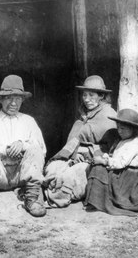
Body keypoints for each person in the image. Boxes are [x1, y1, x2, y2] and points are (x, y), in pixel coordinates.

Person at [0, 74, 47, 222]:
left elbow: (42, 149)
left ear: (22, 100)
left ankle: (32, 200)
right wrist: (4, 149)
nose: (13, 103)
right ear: (1, 99)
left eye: (18, 98)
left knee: (35, 149)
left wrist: (23, 145)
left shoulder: (29, 121)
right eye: (9, 98)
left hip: (22, 175)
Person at [43, 75, 119, 208]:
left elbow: (111, 148)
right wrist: (74, 154)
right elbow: (73, 141)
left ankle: (52, 197)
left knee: (71, 176)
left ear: (101, 96)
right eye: (84, 95)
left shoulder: (109, 115)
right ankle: (45, 192)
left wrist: (85, 153)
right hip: (73, 156)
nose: (87, 99)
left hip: (93, 162)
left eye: (91, 95)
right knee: (52, 169)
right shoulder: (84, 115)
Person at [84, 109, 138, 216]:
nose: (119, 131)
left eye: (123, 128)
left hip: (130, 176)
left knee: (99, 169)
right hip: (121, 172)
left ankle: (100, 202)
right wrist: (105, 157)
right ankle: (95, 201)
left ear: (133, 129)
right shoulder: (122, 140)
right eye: (118, 128)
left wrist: (103, 161)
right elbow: (116, 157)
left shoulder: (135, 143)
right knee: (97, 168)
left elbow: (121, 163)